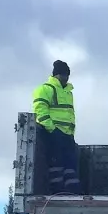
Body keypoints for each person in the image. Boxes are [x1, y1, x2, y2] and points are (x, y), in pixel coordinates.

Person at [32, 60, 80, 194]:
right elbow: (40, 112)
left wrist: (69, 133)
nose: (66, 78)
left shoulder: (67, 92)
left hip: (67, 135)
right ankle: (57, 192)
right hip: (53, 134)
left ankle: (72, 191)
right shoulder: (45, 89)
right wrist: (52, 130)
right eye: (64, 75)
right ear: (57, 75)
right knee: (57, 165)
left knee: (70, 165)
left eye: (67, 75)